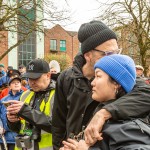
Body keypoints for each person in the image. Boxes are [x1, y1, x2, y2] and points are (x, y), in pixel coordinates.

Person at [52, 20, 150, 150]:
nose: (115, 58)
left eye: (117, 52)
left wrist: (104, 113)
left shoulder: (120, 76)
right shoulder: (66, 78)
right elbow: (59, 123)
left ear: (117, 85)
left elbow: (146, 94)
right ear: (88, 55)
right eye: (108, 54)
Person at [61, 54, 150, 150]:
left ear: (116, 84)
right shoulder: (106, 115)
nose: (92, 83)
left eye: (98, 76)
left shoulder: (129, 127)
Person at [6, 59, 55, 150]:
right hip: (24, 146)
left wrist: (25, 111)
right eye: (29, 78)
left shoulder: (58, 95)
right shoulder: (25, 94)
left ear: (48, 75)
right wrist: (12, 121)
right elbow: (19, 128)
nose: (32, 82)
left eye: (36, 78)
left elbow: (57, 126)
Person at [0, 76, 24, 150]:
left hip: (21, 136)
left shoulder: (26, 97)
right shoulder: (3, 100)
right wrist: (0, 126)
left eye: (18, 82)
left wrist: (28, 134)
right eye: (13, 83)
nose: (16, 84)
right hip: (5, 136)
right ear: (9, 86)